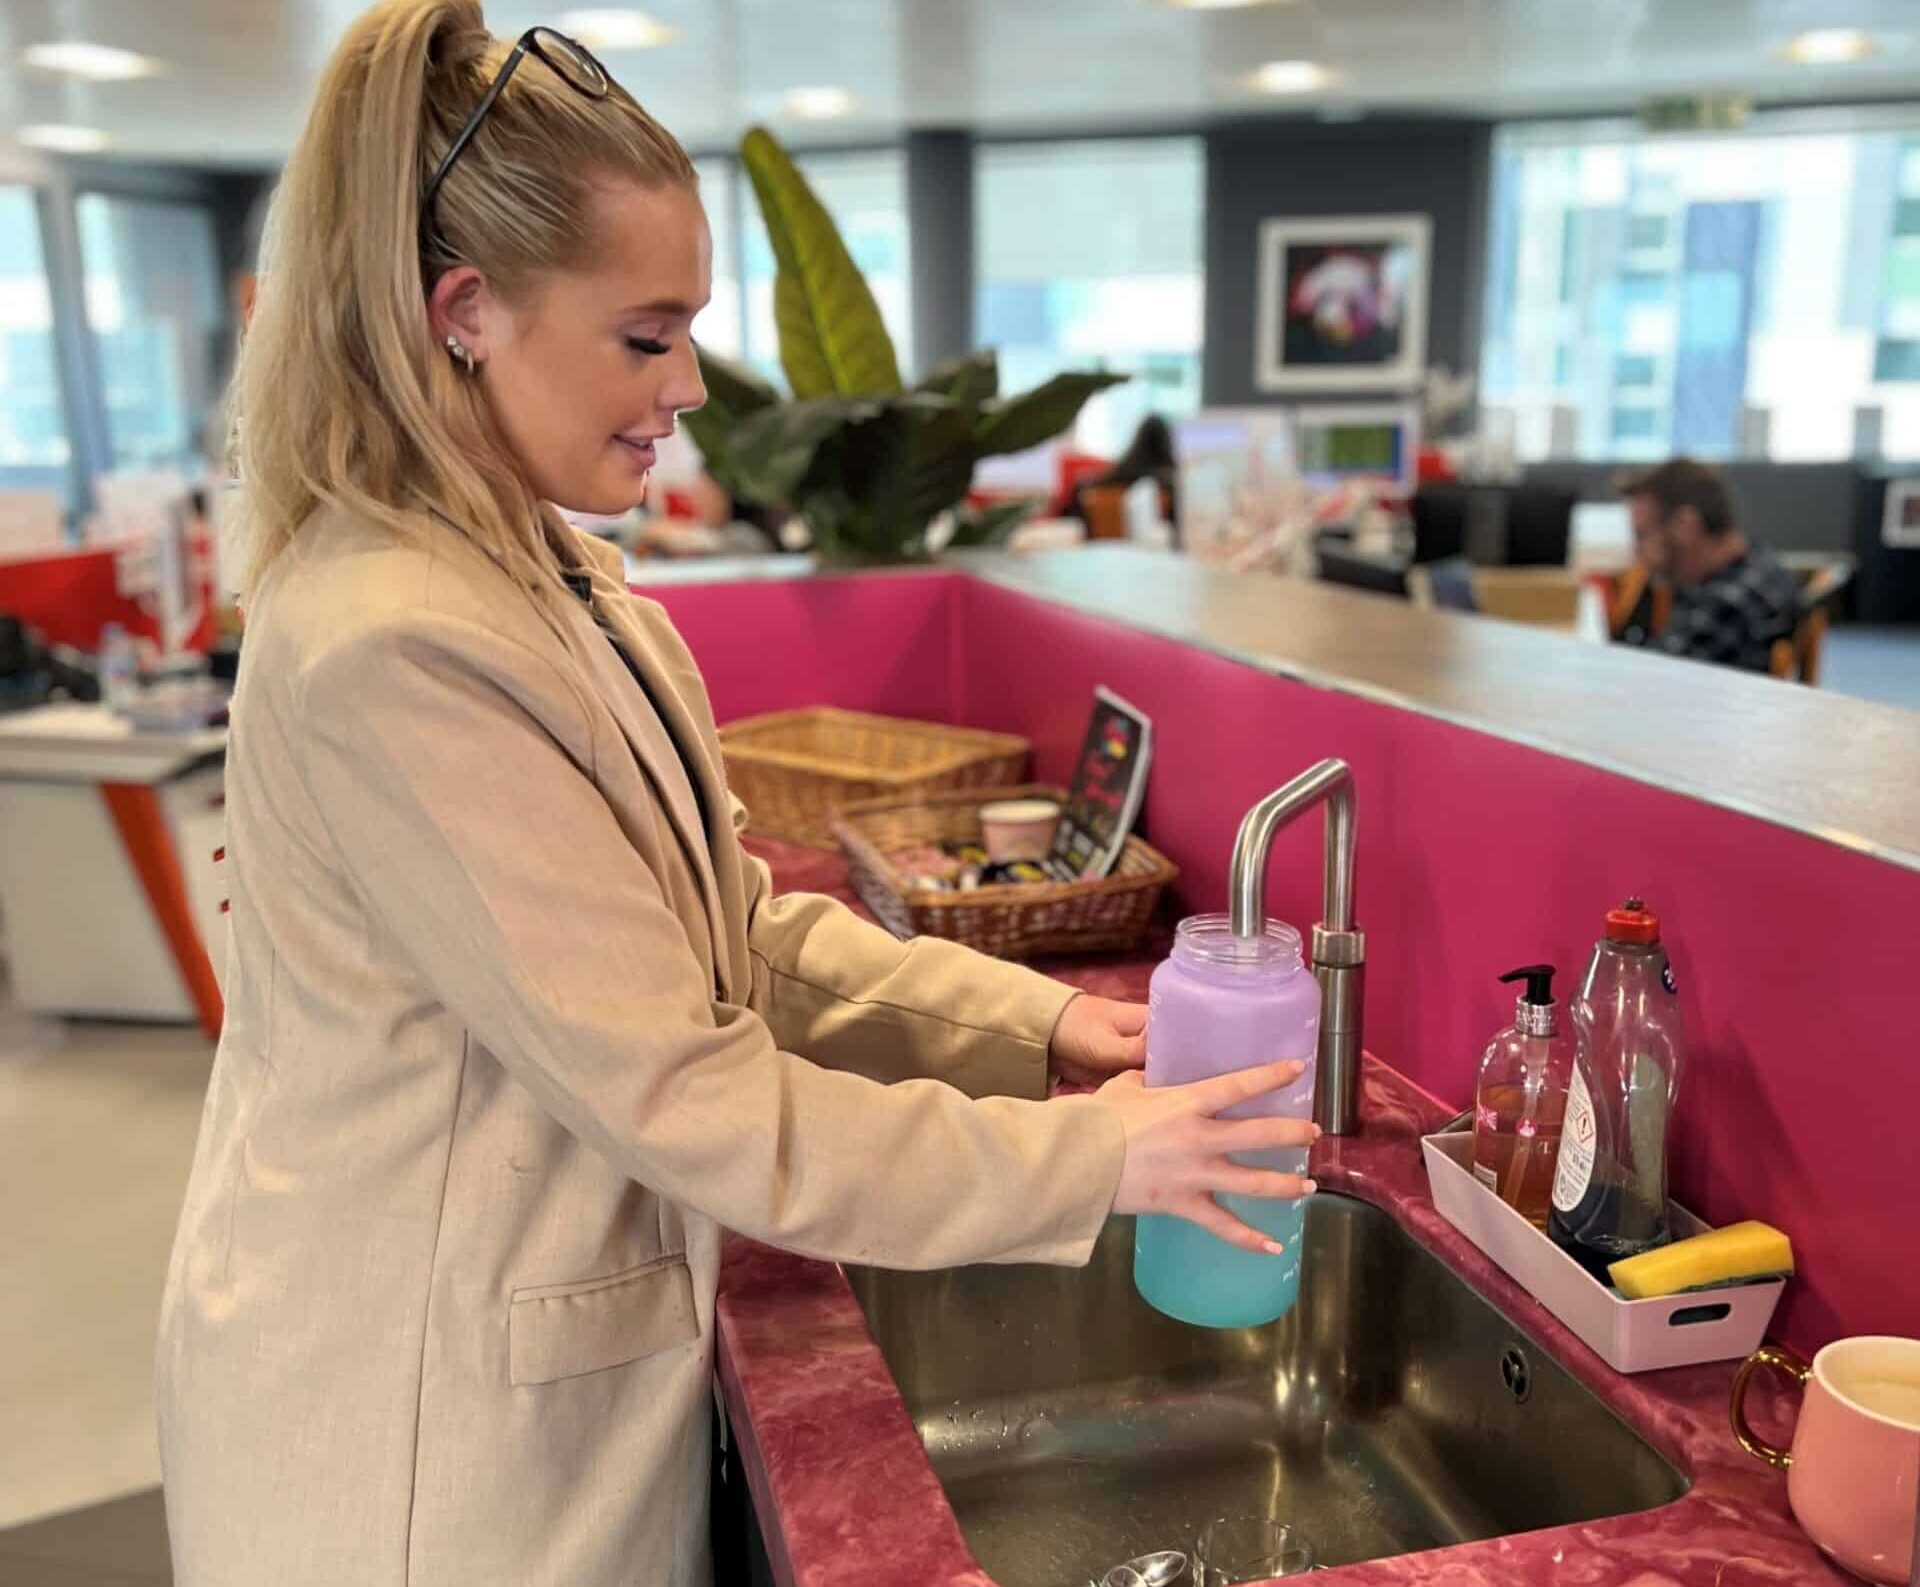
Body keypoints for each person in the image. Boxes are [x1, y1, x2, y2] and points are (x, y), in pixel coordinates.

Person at [153, 7, 1318, 1586]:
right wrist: (1093, 1162)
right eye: (646, 334)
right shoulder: (396, 645)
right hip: (416, 1443)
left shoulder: (554, 582)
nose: (688, 383)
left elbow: (732, 933)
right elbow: (686, 1089)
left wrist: (1037, 1029)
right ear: (466, 311)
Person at [1617, 458, 1801, 672]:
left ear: (1685, 525)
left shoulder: (1727, 604)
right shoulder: (1754, 558)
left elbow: (1653, 682)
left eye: (1642, 535)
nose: (1636, 553)